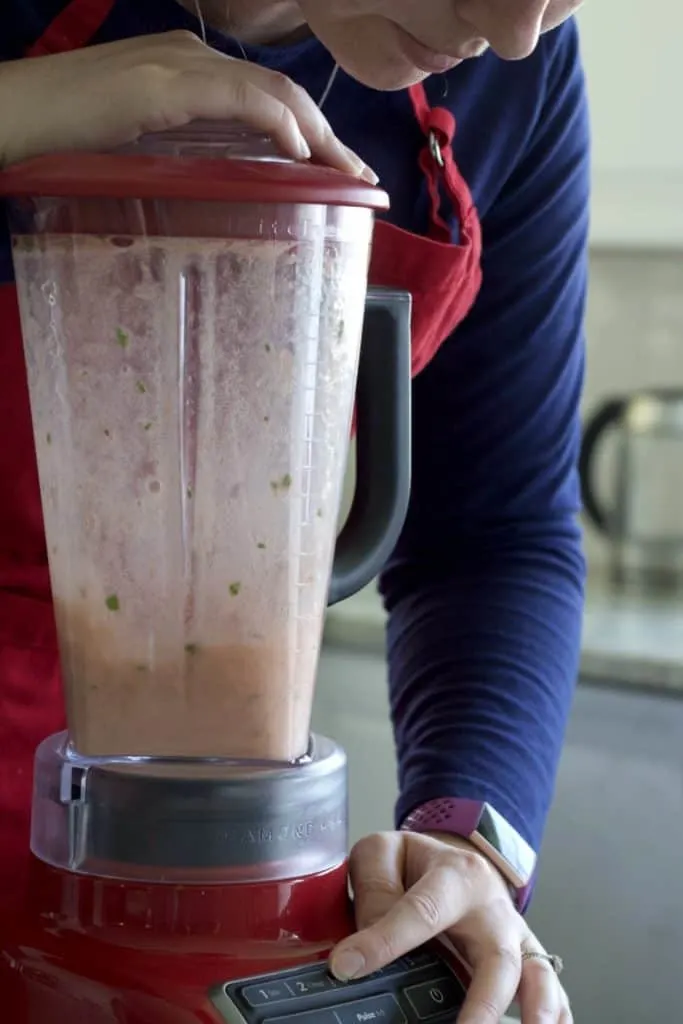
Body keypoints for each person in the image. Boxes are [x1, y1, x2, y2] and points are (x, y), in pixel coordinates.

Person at [0, 2, 588, 1022]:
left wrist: (467, 840)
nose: (515, 33)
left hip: (186, 872)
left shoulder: (504, 85)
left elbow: (491, 538)